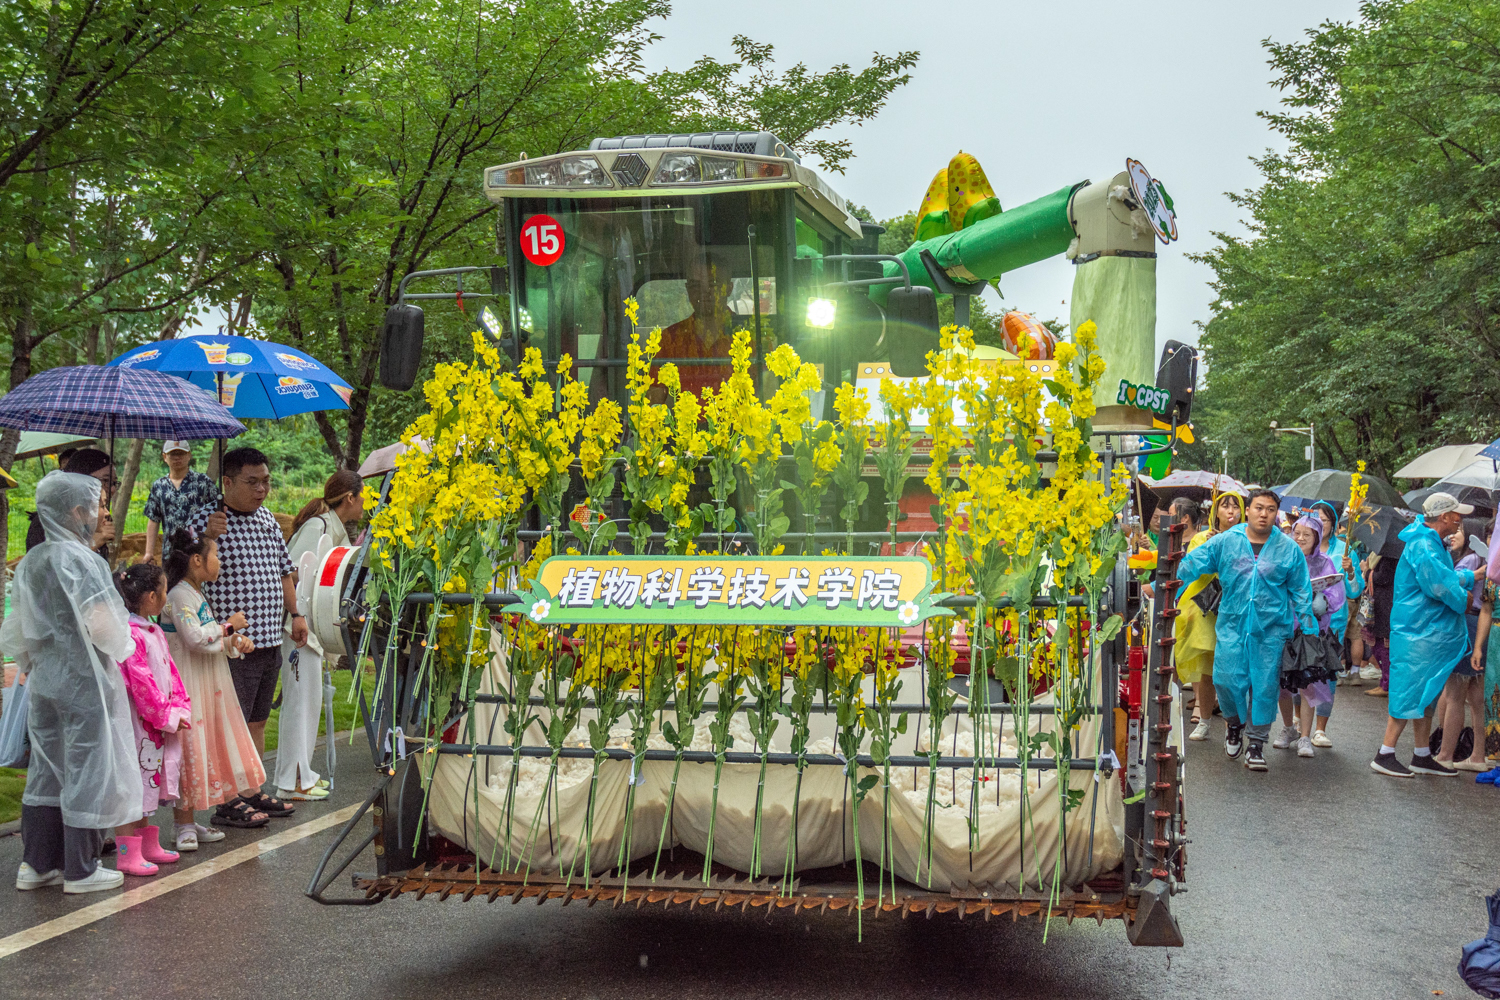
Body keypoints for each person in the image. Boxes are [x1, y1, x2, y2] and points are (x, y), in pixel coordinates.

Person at [5, 472, 136, 893]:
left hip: (45, 679)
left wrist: (35, 663)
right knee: (87, 768)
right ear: (77, 511)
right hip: (85, 680)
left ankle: (37, 864)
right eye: (98, 505)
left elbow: (16, 629)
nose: (104, 512)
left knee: (46, 768)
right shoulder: (84, 561)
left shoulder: (33, 561)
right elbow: (104, 626)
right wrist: (128, 646)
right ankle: (81, 869)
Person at [188, 446, 304, 824]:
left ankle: (252, 789)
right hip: (232, 643)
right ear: (227, 482)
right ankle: (228, 798)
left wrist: (296, 614)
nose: (261, 489)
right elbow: (186, 571)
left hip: (269, 638)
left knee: (256, 720)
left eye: (266, 481)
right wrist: (207, 535)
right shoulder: (206, 521)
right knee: (230, 721)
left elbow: (285, 571)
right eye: (252, 482)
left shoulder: (268, 520)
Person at [1177, 488, 1316, 771]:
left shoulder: (1288, 548)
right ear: (1248, 510)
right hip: (1231, 626)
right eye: (1259, 508)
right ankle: (1234, 723)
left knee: (1264, 688)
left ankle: (1256, 744)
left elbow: (1301, 588)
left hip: (1271, 630)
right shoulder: (1227, 541)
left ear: (1276, 514)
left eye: (1270, 510)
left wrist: (1309, 626)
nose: (1264, 514)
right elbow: (1192, 564)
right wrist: (1165, 577)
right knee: (1226, 680)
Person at [163, 528, 272, 838]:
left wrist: (233, 641)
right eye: (216, 555)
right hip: (188, 683)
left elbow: (204, 636)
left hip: (202, 680)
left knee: (201, 744)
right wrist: (229, 627)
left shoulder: (193, 592)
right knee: (188, 746)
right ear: (198, 560)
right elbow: (195, 638)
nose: (220, 561)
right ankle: (182, 825)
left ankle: (189, 822)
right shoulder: (180, 594)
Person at [1372, 492, 1486, 778]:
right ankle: (1385, 753)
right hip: (1418, 633)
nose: (1460, 519)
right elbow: (1439, 586)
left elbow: (1442, 576)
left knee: (1425, 696)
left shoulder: (1429, 542)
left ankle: (1421, 754)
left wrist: (1474, 576)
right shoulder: (1425, 544)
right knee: (1409, 693)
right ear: (1445, 517)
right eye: (1457, 514)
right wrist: (1466, 598)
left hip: (1423, 631)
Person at [276, 470, 363, 801]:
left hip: (311, 626)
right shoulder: (319, 526)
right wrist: (300, 614)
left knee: (308, 702)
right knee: (300, 703)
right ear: (350, 498)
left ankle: (300, 776)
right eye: (362, 495)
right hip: (299, 626)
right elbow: (294, 571)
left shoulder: (330, 526)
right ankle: (291, 780)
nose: (364, 502)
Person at [111, 563, 190, 876]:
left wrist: (179, 706)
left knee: (145, 783)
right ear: (151, 597)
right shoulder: (132, 636)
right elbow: (141, 683)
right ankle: (127, 852)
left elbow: (170, 672)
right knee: (131, 783)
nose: (166, 594)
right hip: (138, 723)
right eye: (163, 588)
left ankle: (145, 844)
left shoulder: (150, 630)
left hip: (153, 724)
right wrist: (166, 714)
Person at [1273, 515, 1345, 757]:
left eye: (1307, 534)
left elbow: (1336, 593)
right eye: (1297, 533)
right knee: (1283, 684)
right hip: (1284, 628)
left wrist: (1323, 600)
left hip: (1312, 632)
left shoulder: (1324, 563)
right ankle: (1287, 727)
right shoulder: (1284, 559)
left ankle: (1305, 736)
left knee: (1308, 684)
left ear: (1317, 537)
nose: (1301, 538)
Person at [1181, 491, 1244, 741]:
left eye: (1235, 507)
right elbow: (1193, 569)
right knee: (1208, 670)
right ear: (1215, 511)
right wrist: (1212, 546)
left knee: (1232, 671)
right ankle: (1205, 720)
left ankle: (1233, 725)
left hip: (1235, 609)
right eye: (1225, 506)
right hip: (1208, 610)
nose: (1230, 511)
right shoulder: (1200, 538)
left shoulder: (1247, 539)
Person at [1433, 521, 1491, 770]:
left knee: (1455, 694)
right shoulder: (1490, 562)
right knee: (1477, 701)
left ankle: (1445, 754)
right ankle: (1479, 755)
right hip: (1485, 626)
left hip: (1468, 624)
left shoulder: (1470, 561)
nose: (1455, 535)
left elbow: (1448, 589)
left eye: (1461, 531)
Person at [656, 258, 734, 395]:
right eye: (696, 285)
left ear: (729, 288)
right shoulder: (669, 339)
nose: (705, 291)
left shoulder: (751, 337)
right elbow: (654, 400)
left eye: (713, 284)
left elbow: (767, 395)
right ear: (687, 290)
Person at [25, 448, 117, 553]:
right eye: (106, 480)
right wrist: (92, 543)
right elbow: (46, 565)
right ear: (80, 478)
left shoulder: (102, 518)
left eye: (114, 483)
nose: (112, 489)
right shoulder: (47, 522)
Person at [142, 441, 219, 565]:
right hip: (170, 552)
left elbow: (217, 512)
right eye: (173, 454)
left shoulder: (203, 482)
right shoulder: (159, 486)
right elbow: (153, 519)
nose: (177, 458)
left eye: (181, 453)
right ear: (164, 457)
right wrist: (149, 553)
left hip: (198, 550)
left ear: (189, 455)